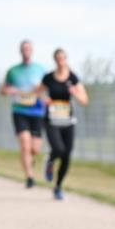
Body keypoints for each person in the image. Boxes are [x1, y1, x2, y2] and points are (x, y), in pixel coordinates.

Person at [38, 48, 89, 200]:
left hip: (68, 121)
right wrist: (44, 99)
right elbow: (38, 92)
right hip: (52, 120)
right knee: (58, 149)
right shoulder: (48, 77)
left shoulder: (73, 78)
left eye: (63, 58)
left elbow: (85, 100)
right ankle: (50, 160)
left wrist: (75, 93)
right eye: (58, 58)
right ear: (55, 60)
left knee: (67, 155)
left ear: (66, 59)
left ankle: (58, 186)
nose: (60, 61)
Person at [1, 40, 48, 188]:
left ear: (32, 51)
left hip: (37, 111)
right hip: (19, 111)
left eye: (28, 48)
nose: (26, 51)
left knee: (35, 149)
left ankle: (29, 160)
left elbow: (47, 88)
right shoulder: (13, 71)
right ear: (20, 51)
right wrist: (10, 90)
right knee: (24, 144)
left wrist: (40, 91)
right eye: (24, 49)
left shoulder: (41, 69)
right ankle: (29, 177)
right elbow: (3, 89)